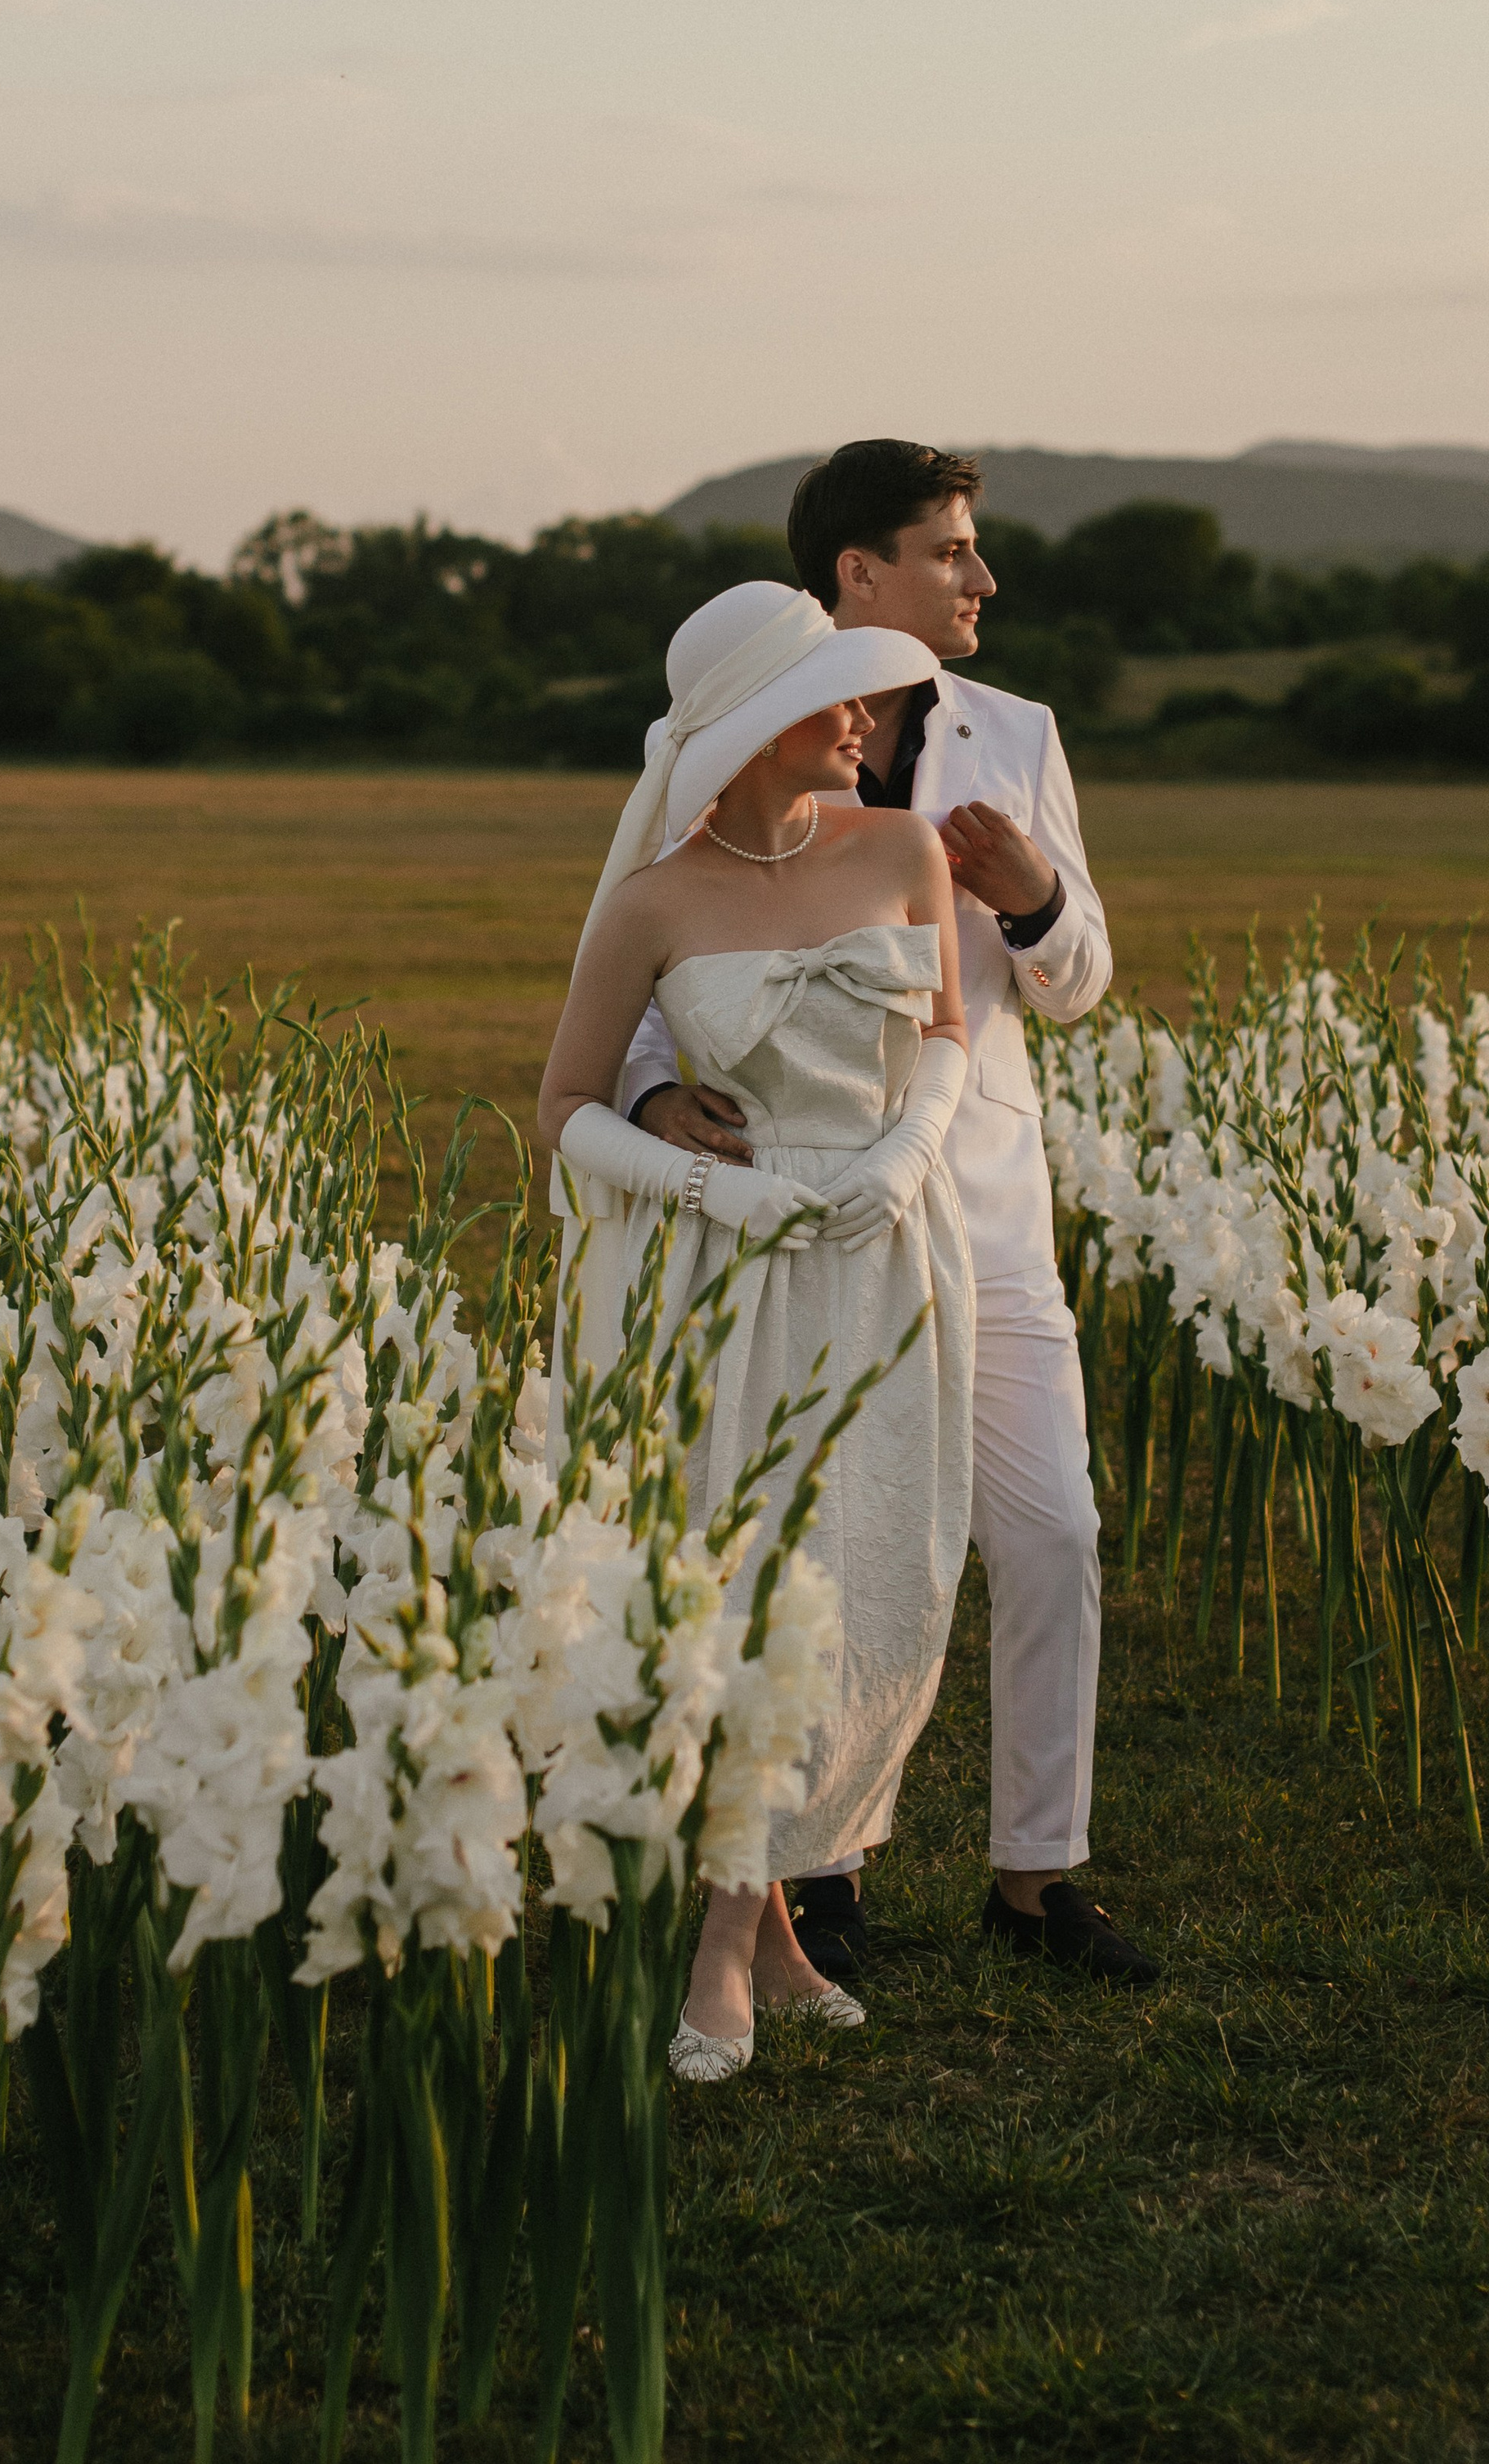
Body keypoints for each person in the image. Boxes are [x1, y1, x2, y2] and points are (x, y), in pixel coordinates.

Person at [626, 442, 1158, 1987]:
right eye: (950, 551)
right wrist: (654, 1097)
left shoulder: (1020, 734)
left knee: (1051, 1528)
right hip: (812, 1222)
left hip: (981, 1204)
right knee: (833, 1537)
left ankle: (1036, 1871)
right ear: (858, 573)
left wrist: (1039, 896)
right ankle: (823, 1870)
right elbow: (669, 945)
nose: (982, 579)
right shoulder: (739, 723)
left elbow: (1081, 986)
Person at [538, 579, 977, 2084]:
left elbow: (947, 1038)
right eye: (841, 698)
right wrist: (704, 1191)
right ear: (752, 729)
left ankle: (777, 1924)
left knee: (860, 1574)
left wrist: (905, 1159)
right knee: (740, 1581)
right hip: (722, 1269)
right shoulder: (655, 901)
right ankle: (730, 1939)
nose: (873, 717)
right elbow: (566, 1108)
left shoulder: (904, 845)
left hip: (879, 1247)